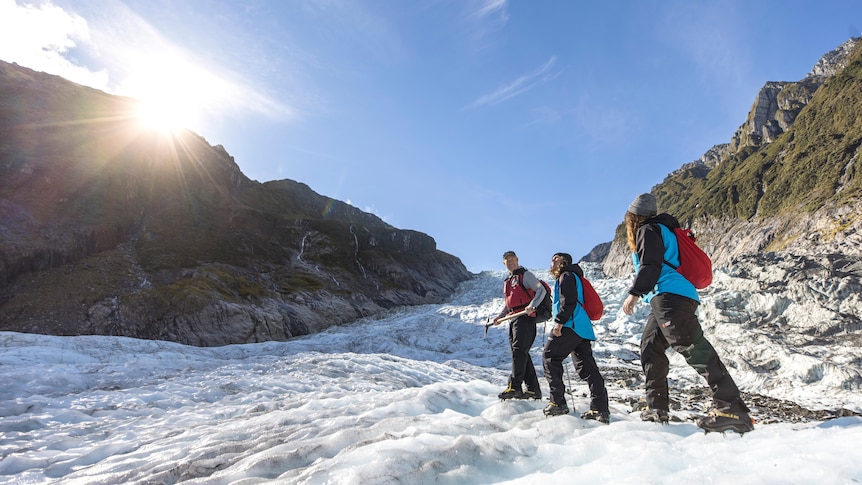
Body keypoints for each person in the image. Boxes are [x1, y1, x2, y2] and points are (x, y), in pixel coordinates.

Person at [621, 193, 754, 434]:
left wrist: (634, 293)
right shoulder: (664, 230)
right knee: (651, 347)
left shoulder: (649, 229)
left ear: (632, 218)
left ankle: (731, 407)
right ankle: (657, 408)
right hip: (670, 296)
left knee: (692, 346)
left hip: (669, 296)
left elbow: (650, 265)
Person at [541, 252, 610, 422]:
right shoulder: (574, 276)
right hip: (581, 327)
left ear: (563, 261)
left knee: (550, 356)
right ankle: (600, 408)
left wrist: (559, 322)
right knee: (587, 368)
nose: (552, 262)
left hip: (570, 325)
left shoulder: (566, 276)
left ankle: (557, 403)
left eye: (555, 259)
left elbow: (569, 301)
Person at [491, 251, 544, 400]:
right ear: (504, 263)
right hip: (514, 318)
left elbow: (541, 290)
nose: (510, 262)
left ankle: (515, 386)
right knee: (521, 352)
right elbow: (510, 304)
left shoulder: (525, 275)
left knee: (519, 350)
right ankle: (533, 389)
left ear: (517, 260)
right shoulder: (508, 280)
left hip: (525, 318)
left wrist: (532, 306)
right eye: (507, 260)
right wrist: (500, 317)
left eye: (512, 259)